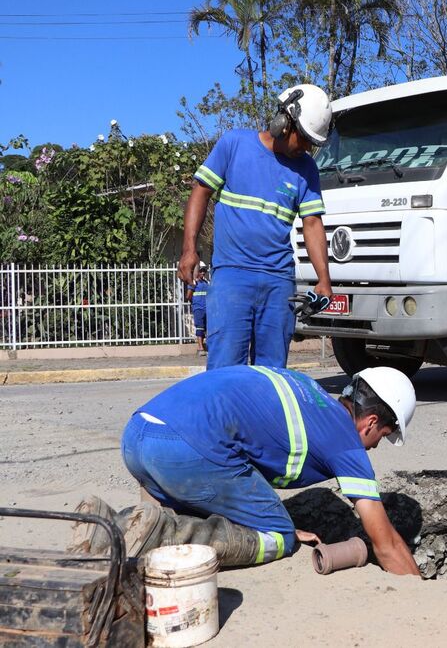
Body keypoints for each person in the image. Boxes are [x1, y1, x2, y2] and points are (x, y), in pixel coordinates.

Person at [69, 366, 421, 576]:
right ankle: (155, 537)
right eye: (383, 437)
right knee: (279, 538)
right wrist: (419, 588)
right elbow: (386, 544)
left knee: (183, 512)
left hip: (137, 438)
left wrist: (258, 515)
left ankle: (109, 527)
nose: (374, 447)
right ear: (372, 421)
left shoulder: (310, 390)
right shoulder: (345, 439)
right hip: (183, 452)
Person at [177, 84, 334, 370]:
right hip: (232, 277)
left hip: (278, 282)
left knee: (272, 375)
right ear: (284, 123)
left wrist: (324, 279)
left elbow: (312, 223)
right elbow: (200, 191)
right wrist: (190, 249)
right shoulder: (234, 144)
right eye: (305, 139)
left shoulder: (306, 169)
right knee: (226, 372)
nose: (308, 148)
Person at [187, 263, 210, 354]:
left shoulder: (206, 283)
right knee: (200, 328)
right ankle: (200, 348)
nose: (203, 273)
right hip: (198, 309)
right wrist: (195, 303)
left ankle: (207, 347)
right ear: (197, 272)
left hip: (207, 308)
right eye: (201, 271)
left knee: (207, 328)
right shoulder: (193, 283)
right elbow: (188, 296)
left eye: (204, 271)